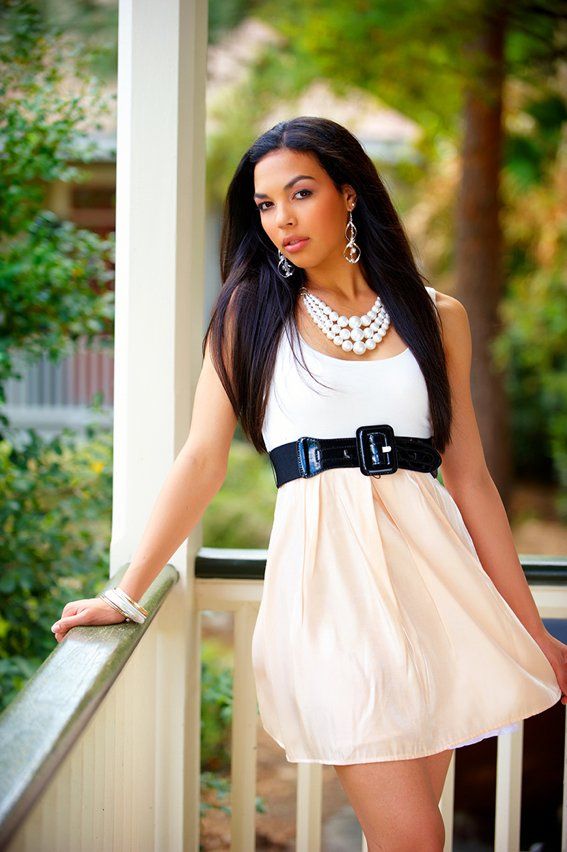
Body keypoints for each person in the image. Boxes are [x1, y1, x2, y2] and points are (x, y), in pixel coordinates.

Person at [51, 116, 566, 851]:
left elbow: (472, 480)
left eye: (299, 193)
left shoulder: (436, 316)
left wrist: (529, 628)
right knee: (413, 837)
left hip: (436, 592)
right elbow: (202, 459)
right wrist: (124, 592)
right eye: (264, 205)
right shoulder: (249, 314)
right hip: (329, 602)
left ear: (348, 194)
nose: (281, 219)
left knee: (413, 837)